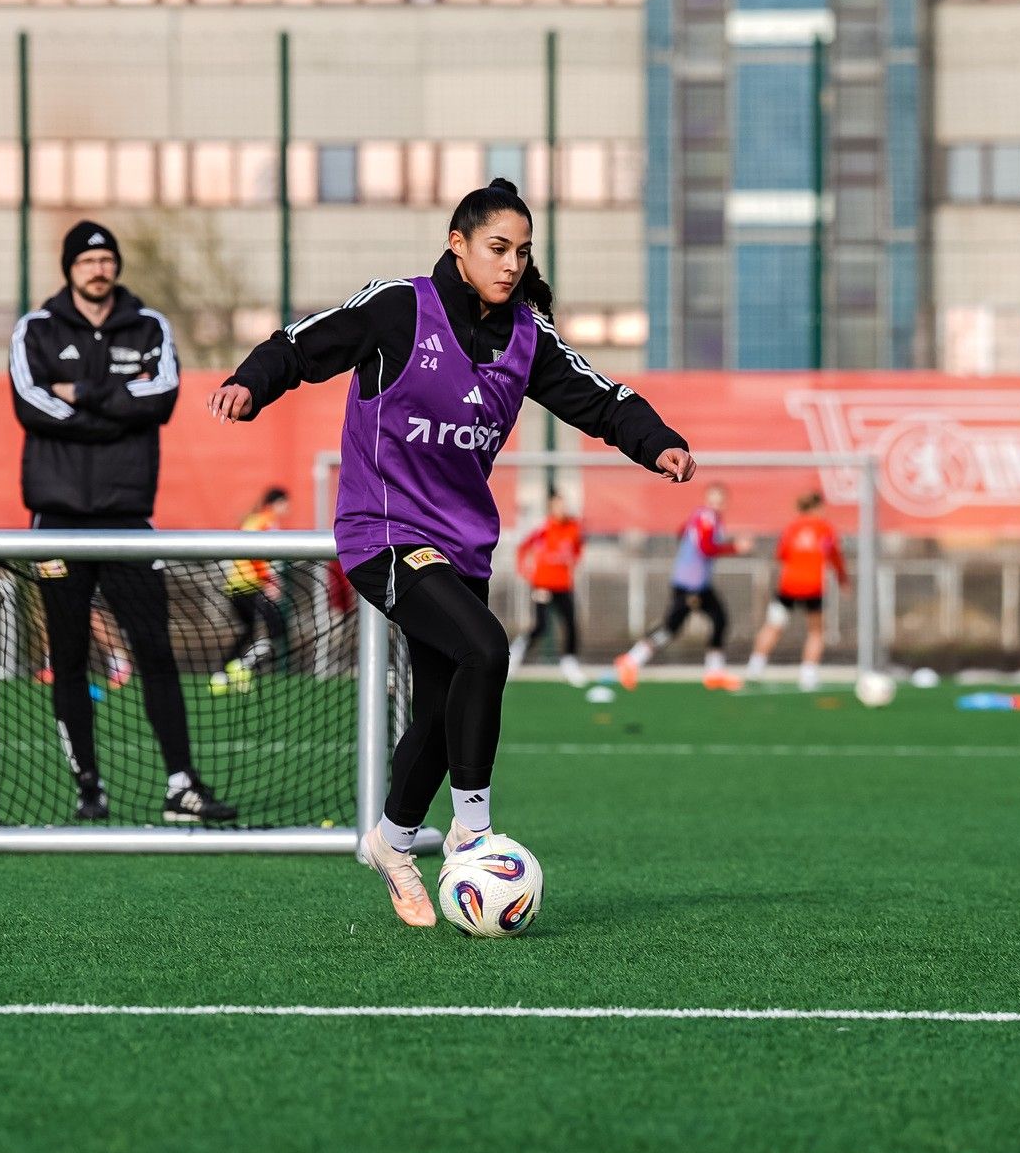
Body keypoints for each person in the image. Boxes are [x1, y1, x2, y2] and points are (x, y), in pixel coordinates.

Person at [210, 178, 694, 927]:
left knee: (440, 707)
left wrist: (657, 440)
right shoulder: (399, 308)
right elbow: (305, 344)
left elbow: (600, 398)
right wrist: (251, 381)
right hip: (385, 532)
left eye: (522, 251)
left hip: (463, 547)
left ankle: (393, 841)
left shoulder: (527, 336)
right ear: (457, 244)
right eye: (497, 248)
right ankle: (471, 827)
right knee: (486, 649)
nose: (510, 264)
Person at [9, 218, 235, 824]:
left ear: (116, 266)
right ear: (69, 269)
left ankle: (181, 786)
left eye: (106, 258)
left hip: (129, 519)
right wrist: (117, 398)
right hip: (56, 523)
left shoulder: (150, 325)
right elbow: (33, 405)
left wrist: (80, 394)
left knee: (156, 651)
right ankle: (89, 787)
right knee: (71, 654)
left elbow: (159, 399)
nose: (98, 268)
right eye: (86, 261)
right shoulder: (35, 329)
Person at [614, 482, 749, 692]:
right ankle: (631, 660)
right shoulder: (707, 517)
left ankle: (714, 672)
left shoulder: (704, 517)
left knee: (718, 619)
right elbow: (706, 547)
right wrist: (734, 547)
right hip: (691, 584)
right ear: (707, 499)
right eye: (714, 498)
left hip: (697, 582)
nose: (717, 503)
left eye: (720, 499)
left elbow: (682, 533)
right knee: (671, 627)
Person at [742, 492, 846, 693]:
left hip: (788, 586)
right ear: (817, 507)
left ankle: (754, 668)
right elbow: (835, 556)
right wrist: (842, 579)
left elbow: (780, 554)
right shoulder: (825, 528)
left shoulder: (792, 528)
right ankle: (808, 675)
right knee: (816, 631)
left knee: (773, 626)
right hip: (813, 586)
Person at [212, 486, 291, 694]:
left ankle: (222, 673)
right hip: (250, 585)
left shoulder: (253, 520)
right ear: (277, 503)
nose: (287, 509)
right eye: (285, 504)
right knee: (276, 629)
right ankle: (242, 665)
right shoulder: (265, 522)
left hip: (235, 585)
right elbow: (255, 554)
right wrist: (268, 582)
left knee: (248, 630)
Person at [509, 492, 587, 687]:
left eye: (563, 505)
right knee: (541, 626)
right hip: (543, 585)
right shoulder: (543, 529)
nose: (561, 509)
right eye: (557, 506)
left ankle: (569, 662)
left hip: (563, 585)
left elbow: (577, 549)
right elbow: (522, 548)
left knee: (570, 623)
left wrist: (573, 563)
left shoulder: (573, 527)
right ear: (551, 508)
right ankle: (515, 654)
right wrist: (526, 572)